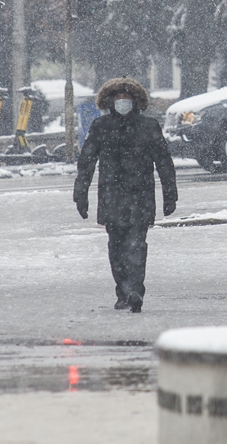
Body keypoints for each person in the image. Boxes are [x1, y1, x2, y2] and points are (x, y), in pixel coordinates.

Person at [74, 78, 177, 313]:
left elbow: (164, 161)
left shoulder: (148, 126)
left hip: (141, 197)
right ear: (110, 101)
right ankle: (122, 291)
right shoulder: (101, 127)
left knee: (137, 245)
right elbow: (86, 161)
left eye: (127, 98)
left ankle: (134, 290)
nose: (122, 102)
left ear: (136, 101)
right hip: (112, 196)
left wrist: (170, 194)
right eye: (118, 98)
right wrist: (80, 193)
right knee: (116, 247)